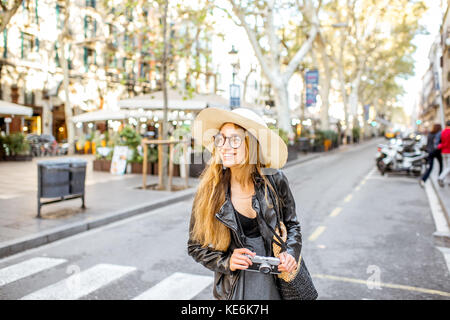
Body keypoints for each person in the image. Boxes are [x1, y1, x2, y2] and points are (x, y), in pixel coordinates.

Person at [187, 107, 303, 300]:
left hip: (275, 283)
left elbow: (292, 225)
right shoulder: (209, 189)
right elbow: (194, 246)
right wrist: (226, 261)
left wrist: (290, 253)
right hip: (233, 287)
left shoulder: (275, 180)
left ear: (252, 144)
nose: (224, 146)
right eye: (221, 138)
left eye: (234, 139)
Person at [438, 120, 450, 187]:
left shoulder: (443, 132)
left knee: (446, 167)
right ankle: (441, 178)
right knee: (449, 167)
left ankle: (448, 181)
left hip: (443, 151)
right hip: (449, 151)